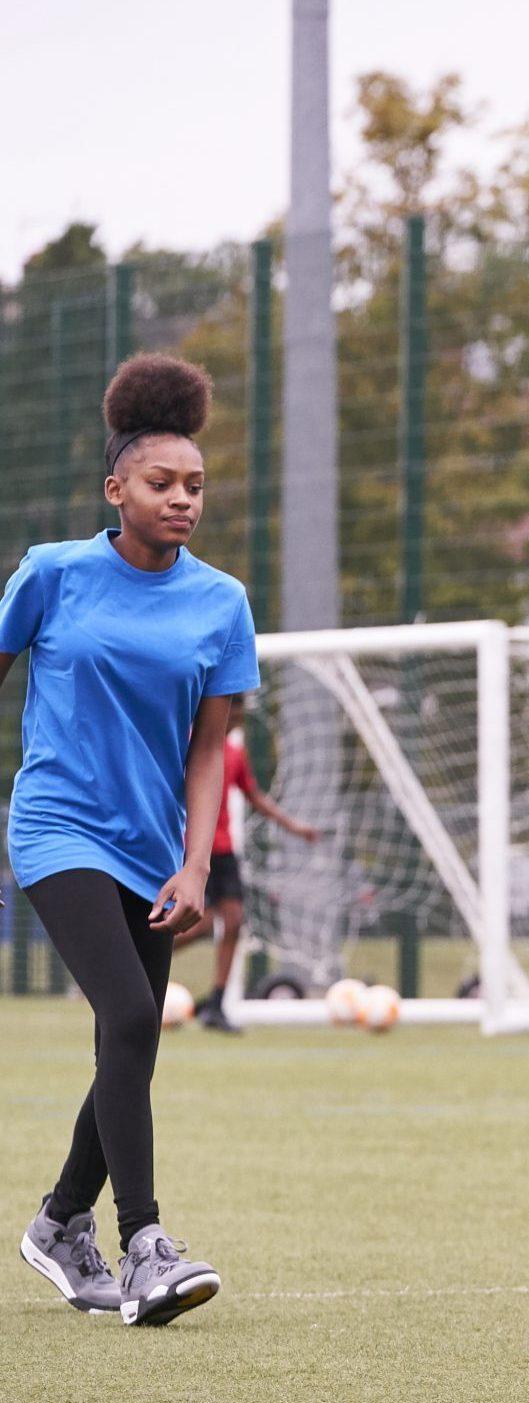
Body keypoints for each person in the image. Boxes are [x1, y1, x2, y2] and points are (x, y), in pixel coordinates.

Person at [8, 354, 251, 1326]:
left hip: (155, 849)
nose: (183, 499)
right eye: (162, 483)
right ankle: (146, 1243)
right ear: (117, 488)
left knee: (130, 1042)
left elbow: (209, 756)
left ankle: (60, 1221)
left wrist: (195, 865)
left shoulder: (222, 604)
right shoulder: (53, 574)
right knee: (133, 1015)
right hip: (57, 824)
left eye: (195, 484)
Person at [177, 725, 319, 1033]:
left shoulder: (233, 752)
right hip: (192, 849)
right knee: (198, 924)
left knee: (234, 922)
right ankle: (136, 961)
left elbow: (253, 795)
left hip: (225, 852)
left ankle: (216, 1003)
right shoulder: (186, 742)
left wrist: (293, 826)